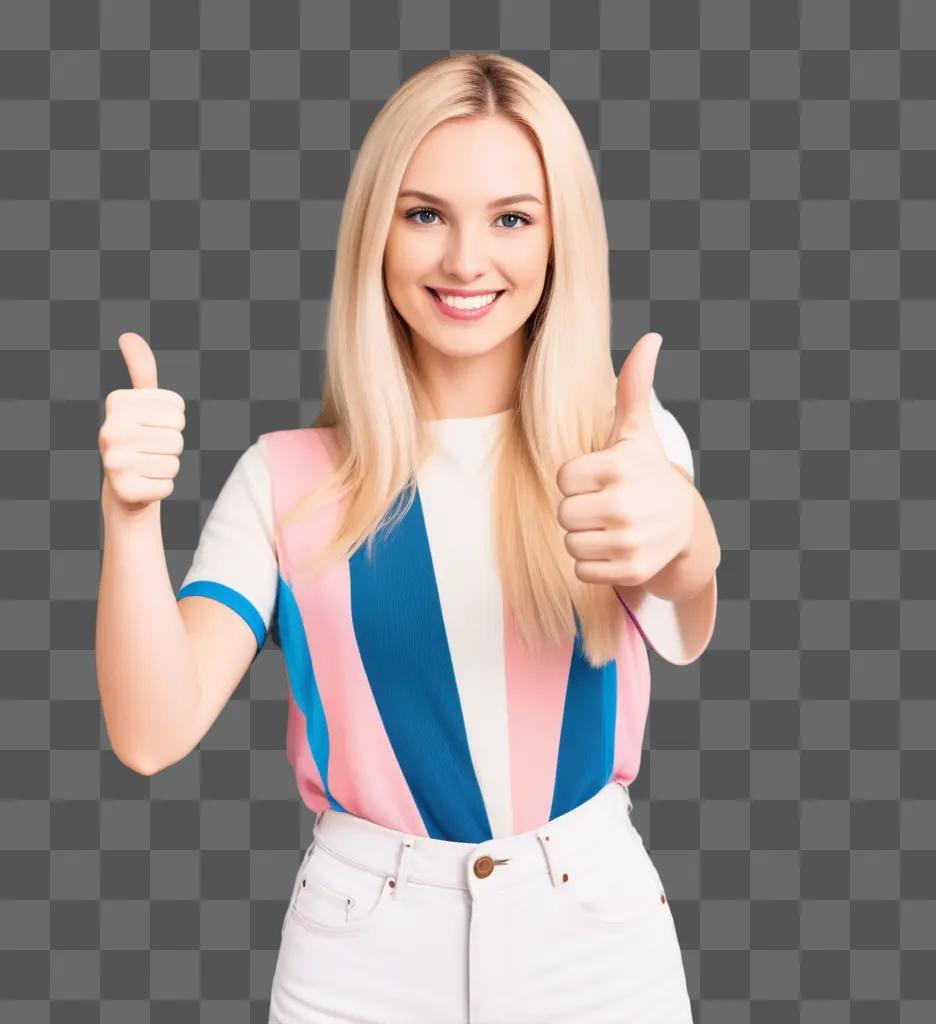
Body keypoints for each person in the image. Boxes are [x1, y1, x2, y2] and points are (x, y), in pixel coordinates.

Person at [96, 52, 720, 1024]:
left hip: (595, 936)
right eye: (425, 213)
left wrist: (683, 532)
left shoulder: (623, 441)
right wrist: (129, 519)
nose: (466, 261)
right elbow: (149, 732)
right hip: (360, 949)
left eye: (511, 217)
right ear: (373, 234)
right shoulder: (283, 479)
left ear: (560, 241)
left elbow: (687, 600)